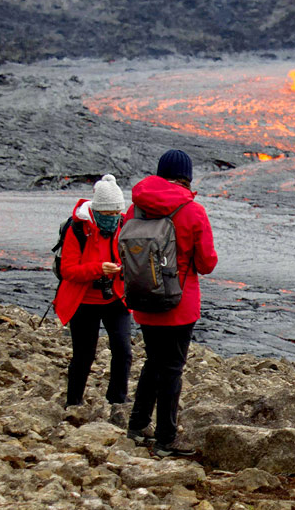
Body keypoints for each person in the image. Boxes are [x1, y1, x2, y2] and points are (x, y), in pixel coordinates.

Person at [125, 150, 218, 457]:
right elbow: (206, 264)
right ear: (186, 177)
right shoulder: (193, 211)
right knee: (172, 369)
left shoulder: (134, 209)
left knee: (153, 362)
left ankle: (137, 426)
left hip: (143, 298)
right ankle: (166, 438)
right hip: (180, 303)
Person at [53, 175, 131, 410]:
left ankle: (117, 401)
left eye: (116, 213)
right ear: (96, 211)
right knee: (84, 356)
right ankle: (73, 403)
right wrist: (98, 269)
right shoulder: (77, 229)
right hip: (84, 300)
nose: (112, 218)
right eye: (107, 214)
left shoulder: (125, 225)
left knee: (123, 350)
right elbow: (68, 270)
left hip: (115, 297)